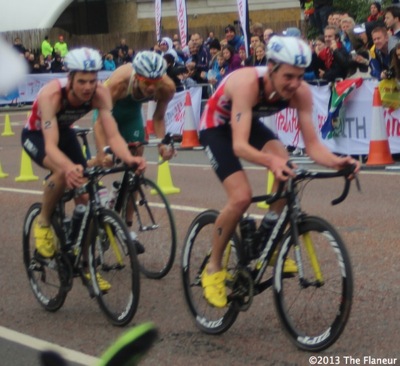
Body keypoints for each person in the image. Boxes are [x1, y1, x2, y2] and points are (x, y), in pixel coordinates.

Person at [198, 36, 360, 308]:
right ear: (271, 67)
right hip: (216, 127)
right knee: (240, 197)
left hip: (247, 122)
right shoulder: (247, 83)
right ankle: (213, 268)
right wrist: (269, 162)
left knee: (287, 166)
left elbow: (312, 147)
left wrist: (337, 162)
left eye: (300, 76)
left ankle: (269, 242)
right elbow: (238, 145)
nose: (295, 83)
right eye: (288, 76)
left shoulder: (301, 92)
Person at [21, 48, 146, 291]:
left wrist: (130, 159)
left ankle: (86, 265)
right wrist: (69, 168)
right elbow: (50, 145)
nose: (88, 87)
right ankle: (44, 223)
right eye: (81, 82)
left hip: (65, 131)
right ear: (70, 79)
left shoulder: (101, 93)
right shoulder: (52, 95)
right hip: (37, 135)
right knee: (62, 172)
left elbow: (112, 134)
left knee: (88, 200)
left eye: (91, 80)